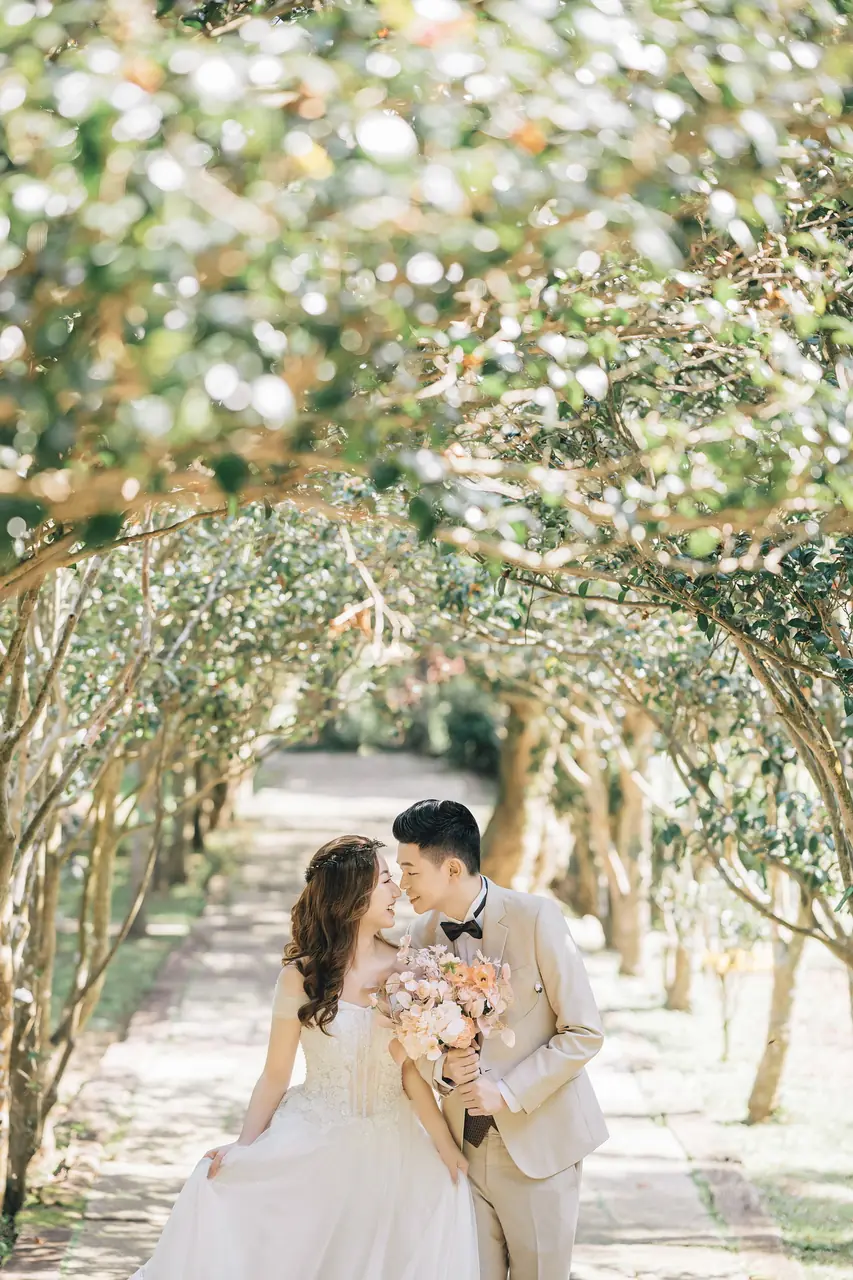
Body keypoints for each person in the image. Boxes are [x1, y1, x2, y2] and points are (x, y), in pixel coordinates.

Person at [129, 834, 479, 1280]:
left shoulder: (408, 971)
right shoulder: (301, 977)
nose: (397, 890)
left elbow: (410, 1074)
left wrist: (447, 1150)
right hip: (314, 1139)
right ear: (352, 896)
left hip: (394, 1146)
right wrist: (244, 1147)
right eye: (385, 880)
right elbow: (275, 1075)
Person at [395, 799, 608, 1280]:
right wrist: (442, 1070)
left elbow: (584, 1032)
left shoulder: (538, 918)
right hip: (461, 1153)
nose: (402, 883)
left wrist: (508, 1092)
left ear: (452, 868)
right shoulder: (420, 933)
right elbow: (412, 1042)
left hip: (539, 1146)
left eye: (410, 870)